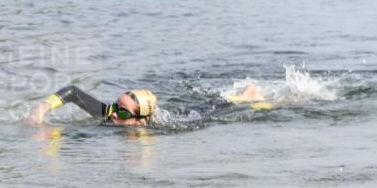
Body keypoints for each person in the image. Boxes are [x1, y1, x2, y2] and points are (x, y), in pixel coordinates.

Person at [26, 83, 265, 126]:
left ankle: (243, 95)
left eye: (121, 111)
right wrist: (40, 111)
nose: (113, 115)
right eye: (114, 105)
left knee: (209, 110)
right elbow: (73, 93)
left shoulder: (156, 129)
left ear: (139, 119)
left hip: (185, 117)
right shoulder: (109, 114)